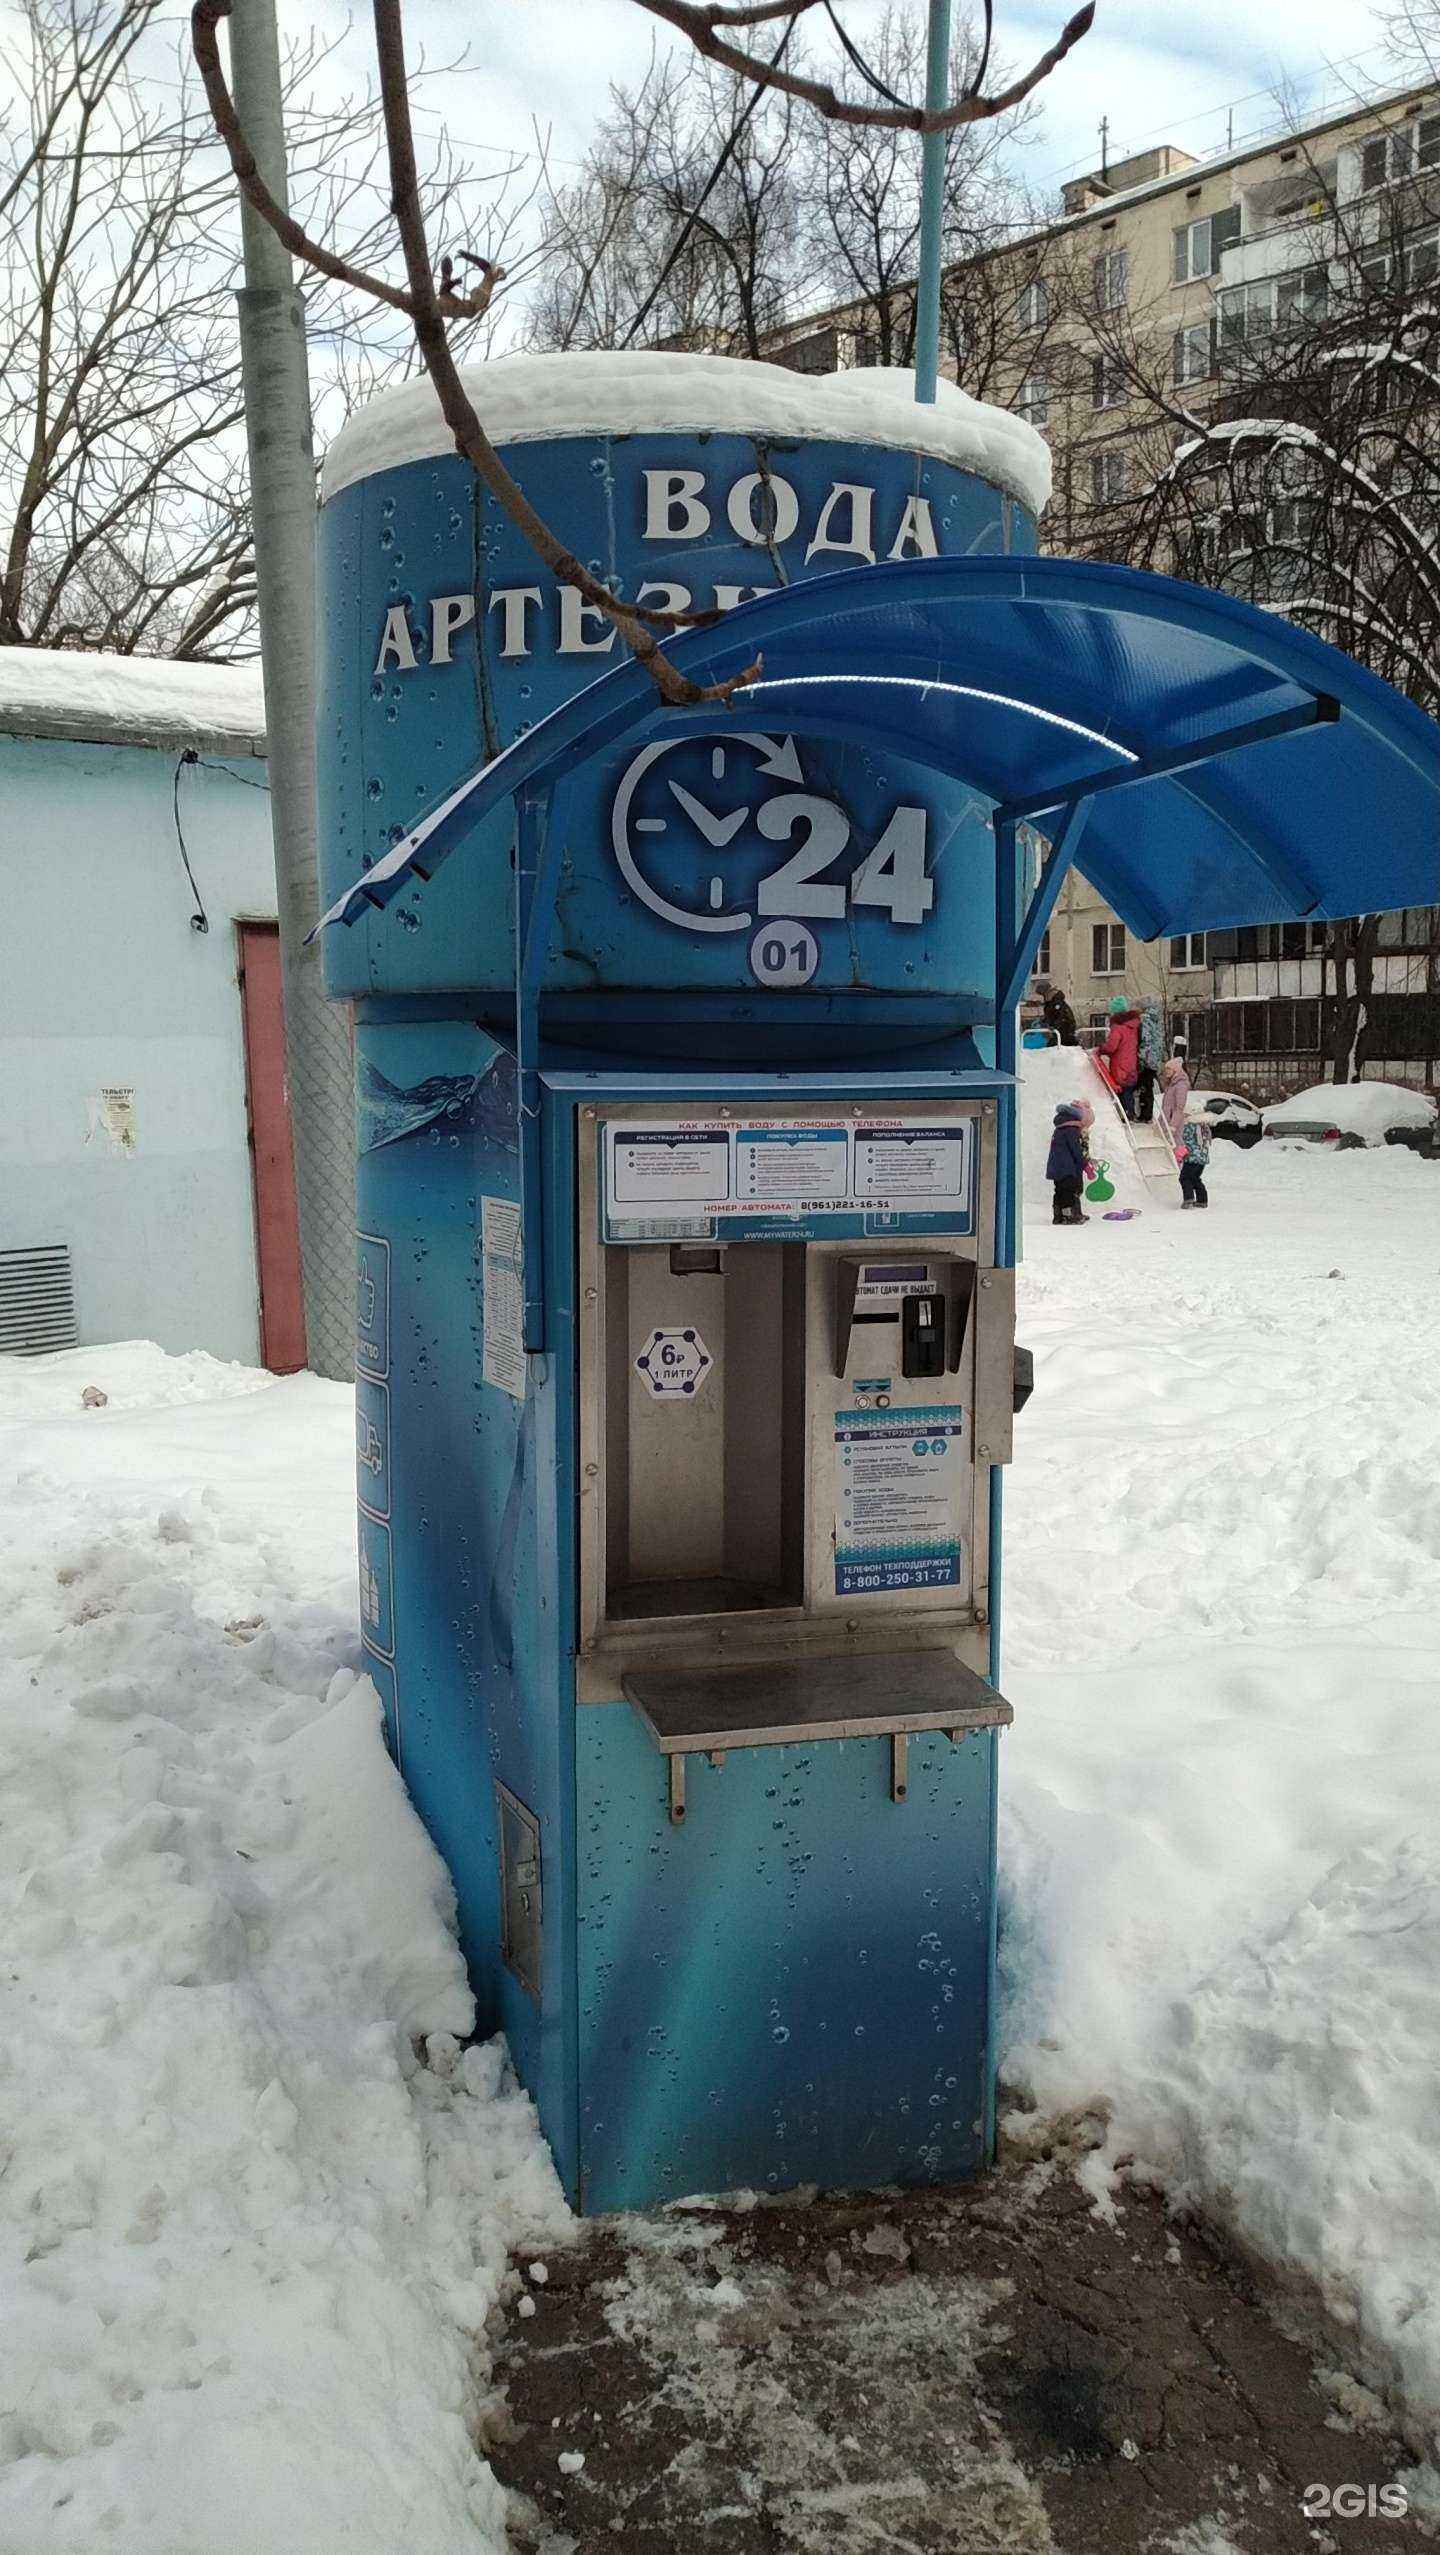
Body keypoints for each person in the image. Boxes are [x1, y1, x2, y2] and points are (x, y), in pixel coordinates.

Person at [1160, 1057, 1213, 1209]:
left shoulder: (1181, 1085)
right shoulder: (1202, 1126)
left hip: (1193, 1157)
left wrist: (1173, 1126)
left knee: (1185, 1178)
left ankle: (1188, 1199)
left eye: (1168, 1069)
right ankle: (1202, 1200)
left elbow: (1178, 1108)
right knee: (1196, 1178)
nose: (1166, 1072)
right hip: (1201, 1157)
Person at [1046, 1101, 1088, 1225]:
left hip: (1056, 1166)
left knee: (1059, 1190)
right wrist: (1081, 1161)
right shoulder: (1071, 1129)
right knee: (1068, 1191)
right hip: (1067, 1167)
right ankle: (1068, 1215)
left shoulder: (1059, 1129)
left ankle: (1058, 1215)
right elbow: (1075, 1148)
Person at [1099, 994, 1142, 1117]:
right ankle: (1131, 1111)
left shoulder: (1117, 1027)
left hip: (1120, 1064)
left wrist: (1102, 1048)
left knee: (1122, 1090)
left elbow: (1112, 1046)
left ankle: (1125, 1114)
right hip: (1132, 1063)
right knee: (1128, 1089)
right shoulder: (1133, 1026)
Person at [1135, 997, 1164, 1123]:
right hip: (1154, 1060)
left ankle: (1144, 1114)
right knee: (1148, 1086)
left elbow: (1144, 1040)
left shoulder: (1144, 1020)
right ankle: (1148, 1113)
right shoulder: (1156, 1020)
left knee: (1143, 1087)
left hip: (1146, 1059)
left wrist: (1140, 1057)